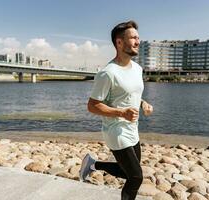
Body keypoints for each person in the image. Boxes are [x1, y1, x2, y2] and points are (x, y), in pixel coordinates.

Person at [79, 20, 153, 200]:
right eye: (133, 38)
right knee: (136, 177)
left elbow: (129, 94)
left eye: (138, 38)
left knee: (127, 172)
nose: (138, 42)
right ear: (119, 43)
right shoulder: (108, 73)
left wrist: (143, 104)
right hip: (116, 131)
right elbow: (92, 105)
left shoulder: (137, 69)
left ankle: (93, 165)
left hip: (132, 129)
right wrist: (121, 113)